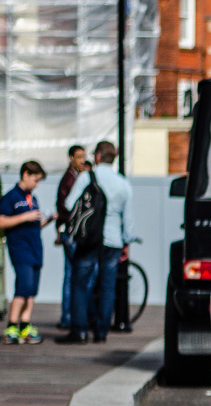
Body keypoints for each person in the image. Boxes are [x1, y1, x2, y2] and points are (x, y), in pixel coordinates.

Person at [56, 141, 137, 344]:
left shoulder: (86, 177)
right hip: (113, 241)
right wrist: (126, 242)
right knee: (108, 286)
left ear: (98, 156)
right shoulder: (123, 183)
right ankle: (101, 332)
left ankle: (79, 330)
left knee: (80, 283)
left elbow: (68, 203)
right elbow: (127, 220)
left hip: (90, 238)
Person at [0, 161, 55, 344]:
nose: (37, 184)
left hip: (35, 249)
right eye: (35, 179)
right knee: (23, 287)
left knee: (31, 290)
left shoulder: (33, 198)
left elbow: (34, 225)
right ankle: (12, 326)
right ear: (25, 175)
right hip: (20, 249)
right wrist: (25, 216)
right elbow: (2, 221)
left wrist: (48, 220)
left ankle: (25, 324)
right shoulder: (11, 197)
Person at [55, 144, 89, 328]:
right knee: (73, 275)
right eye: (79, 157)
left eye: (84, 156)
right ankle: (68, 317)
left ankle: (68, 316)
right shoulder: (71, 179)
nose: (82, 160)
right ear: (71, 158)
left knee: (71, 274)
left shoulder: (75, 177)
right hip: (71, 232)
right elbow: (66, 207)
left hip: (68, 231)